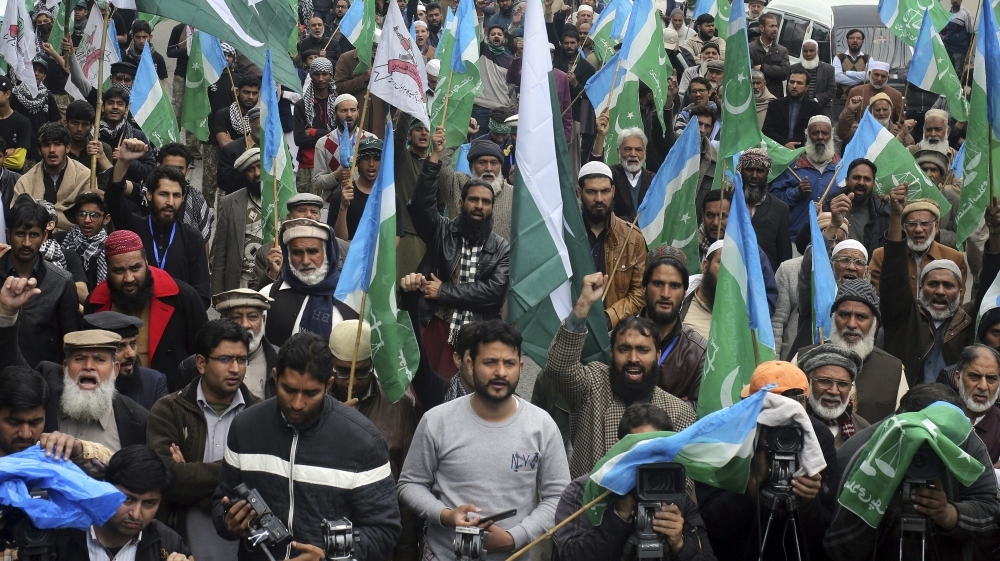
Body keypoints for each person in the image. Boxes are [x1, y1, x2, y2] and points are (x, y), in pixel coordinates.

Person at [213, 332, 402, 561]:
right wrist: (229, 522)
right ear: (275, 377)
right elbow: (221, 502)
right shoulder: (245, 428)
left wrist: (329, 556)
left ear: (328, 385)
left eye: (311, 393)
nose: (297, 403)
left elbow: (384, 530)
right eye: (289, 390)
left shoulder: (364, 442)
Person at [398, 320, 571, 560]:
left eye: (509, 363)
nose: (500, 372)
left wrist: (515, 537)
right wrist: (445, 515)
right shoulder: (436, 421)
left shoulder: (542, 426)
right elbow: (409, 484)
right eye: (490, 362)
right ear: (470, 365)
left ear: (520, 367)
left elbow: (559, 498)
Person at [541, 272, 697, 478]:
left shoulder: (679, 414)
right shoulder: (592, 386)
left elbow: (684, 482)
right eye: (624, 349)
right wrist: (583, 304)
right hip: (588, 506)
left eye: (643, 350)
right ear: (612, 354)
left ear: (658, 356)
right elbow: (559, 368)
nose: (633, 358)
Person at [824, 384, 1000, 561]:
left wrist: (948, 514)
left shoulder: (962, 438)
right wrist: (873, 495)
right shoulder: (861, 451)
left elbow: (991, 511)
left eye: (938, 438)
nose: (930, 444)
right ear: (900, 421)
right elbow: (837, 545)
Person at [698, 361, 837, 561]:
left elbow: (825, 533)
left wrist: (808, 501)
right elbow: (711, 526)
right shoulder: (725, 435)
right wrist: (752, 485)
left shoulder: (817, 437)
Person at [147, 319, 258, 561]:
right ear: (201, 363)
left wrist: (190, 473)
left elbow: (263, 485)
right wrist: (236, 470)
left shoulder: (259, 415)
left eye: (241, 359)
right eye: (225, 359)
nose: (235, 369)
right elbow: (168, 481)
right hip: (182, 552)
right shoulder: (169, 410)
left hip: (246, 551)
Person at [554, 403, 717, 561]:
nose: (648, 460)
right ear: (618, 447)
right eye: (640, 450)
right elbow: (570, 556)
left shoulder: (676, 499)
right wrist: (618, 517)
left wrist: (680, 544)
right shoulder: (585, 492)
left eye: (657, 451)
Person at [403, 141, 510, 380]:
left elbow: (493, 293)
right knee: (428, 394)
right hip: (437, 327)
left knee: (472, 393)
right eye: (473, 200)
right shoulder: (441, 231)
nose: (479, 206)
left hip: (478, 333)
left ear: (492, 208)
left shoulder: (501, 247)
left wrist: (444, 291)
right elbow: (420, 206)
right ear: (461, 203)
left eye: (486, 202)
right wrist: (435, 158)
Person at [328, 320, 420, 560]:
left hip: (378, 544)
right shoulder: (311, 403)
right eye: (341, 371)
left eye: (361, 371)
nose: (351, 381)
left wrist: (406, 553)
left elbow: (406, 491)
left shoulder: (399, 406)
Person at [879, 184, 985, 388]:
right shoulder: (905, 319)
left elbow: (988, 288)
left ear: (961, 291)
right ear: (920, 289)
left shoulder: (968, 323)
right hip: (909, 408)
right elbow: (893, 278)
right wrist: (895, 215)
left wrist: (995, 236)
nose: (940, 291)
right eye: (933, 284)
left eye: (948, 285)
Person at [85, 229, 208, 393]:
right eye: (119, 271)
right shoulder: (94, 303)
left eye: (135, 268)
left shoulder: (183, 297)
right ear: (107, 270)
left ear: (146, 262)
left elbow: (205, 354)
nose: (129, 278)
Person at [105, 140, 211, 307]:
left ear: (183, 198)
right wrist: (124, 162)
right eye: (163, 194)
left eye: (176, 195)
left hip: (176, 322)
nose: (170, 202)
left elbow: (203, 297)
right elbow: (113, 198)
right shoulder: (134, 228)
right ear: (148, 194)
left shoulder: (192, 237)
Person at [53, 445, 192, 561]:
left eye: (149, 503)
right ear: (105, 488)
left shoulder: (169, 544)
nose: (136, 514)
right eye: (127, 499)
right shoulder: (62, 536)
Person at [0, 196, 79, 367]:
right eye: (20, 234)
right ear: (8, 234)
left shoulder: (61, 283)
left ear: (44, 236)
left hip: (42, 384)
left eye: (33, 235)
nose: (26, 243)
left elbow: (70, 344)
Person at [259, 218, 356, 346]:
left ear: (328, 253)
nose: (305, 261)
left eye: (312, 251)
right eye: (297, 252)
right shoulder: (269, 295)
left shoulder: (353, 298)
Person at [575, 161, 648, 328]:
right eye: (592, 192)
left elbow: (640, 293)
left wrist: (609, 318)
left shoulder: (632, 237)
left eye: (605, 191)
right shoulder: (566, 235)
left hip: (613, 331)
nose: (599, 199)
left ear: (613, 191)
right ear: (580, 193)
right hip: (571, 324)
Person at [639, 246, 707, 405]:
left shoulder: (697, 351)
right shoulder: (618, 340)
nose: (665, 294)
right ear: (643, 288)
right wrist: (678, 405)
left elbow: (702, 410)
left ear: (684, 292)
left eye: (675, 286)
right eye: (658, 284)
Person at [869, 197, 966, 299]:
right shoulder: (881, 256)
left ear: (936, 225)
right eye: (912, 224)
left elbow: (955, 303)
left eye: (925, 223)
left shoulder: (955, 258)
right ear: (903, 226)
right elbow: (878, 298)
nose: (918, 229)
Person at [435, 133, 515, 241]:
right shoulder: (458, 183)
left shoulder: (514, 195)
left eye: (494, 163)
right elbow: (442, 161)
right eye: (482, 162)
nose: (488, 168)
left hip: (501, 258)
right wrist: (460, 132)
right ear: (471, 166)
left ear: (501, 167)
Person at [11, 123, 90, 232]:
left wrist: (39, 210)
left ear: (67, 148)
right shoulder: (25, 182)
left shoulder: (84, 176)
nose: (52, 150)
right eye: (46, 145)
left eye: (57, 144)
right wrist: (65, 212)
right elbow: (19, 219)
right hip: (37, 243)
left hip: (75, 242)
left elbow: (86, 218)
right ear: (39, 150)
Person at [769, 115, 839, 238]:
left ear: (831, 136)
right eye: (815, 133)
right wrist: (796, 192)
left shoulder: (841, 168)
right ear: (807, 136)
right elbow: (774, 203)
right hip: (795, 237)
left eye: (825, 133)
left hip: (831, 240)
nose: (820, 137)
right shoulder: (791, 165)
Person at [82, 311, 167, 411]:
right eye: (119, 347)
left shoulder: (154, 382)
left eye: (133, 344)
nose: (131, 354)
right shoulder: (83, 385)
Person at [797, 343, 869, 449]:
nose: (834, 391)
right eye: (825, 381)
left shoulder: (863, 430)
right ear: (808, 383)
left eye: (843, 384)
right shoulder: (791, 423)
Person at [212, 147, 264, 293]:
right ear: (244, 175)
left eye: (260, 167)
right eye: (251, 170)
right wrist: (218, 294)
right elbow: (220, 253)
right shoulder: (231, 202)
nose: (257, 173)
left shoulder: (283, 200)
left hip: (274, 280)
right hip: (242, 281)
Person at [588, 123, 656, 221]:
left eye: (638, 150)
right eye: (628, 149)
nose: (633, 154)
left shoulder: (654, 180)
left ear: (645, 153)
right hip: (614, 234)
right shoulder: (610, 175)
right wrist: (601, 136)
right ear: (618, 152)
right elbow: (594, 174)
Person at [823, 158, 891, 258]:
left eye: (867, 179)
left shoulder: (882, 212)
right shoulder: (829, 205)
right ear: (847, 180)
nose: (861, 183)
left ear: (873, 184)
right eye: (856, 177)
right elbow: (803, 245)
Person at [312, 93, 375, 198]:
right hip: (331, 205)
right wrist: (336, 176)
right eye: (344, 110)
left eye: (353, 110)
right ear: (334, 114)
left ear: (359, 113)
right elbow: (318, 181)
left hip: (364, 204)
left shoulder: (370, 140)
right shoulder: (323, 143)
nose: (349, 114)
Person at [739, 148, 791, 271]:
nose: (754, 176)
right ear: (740, 171)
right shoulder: (727, 202)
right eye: (749, 170)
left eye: (760, 171)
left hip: (764, 279)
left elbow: (784, 255)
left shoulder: (780, 208)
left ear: (767, 173)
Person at [948, 344, 1000, 465]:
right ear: (958, 378)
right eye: (975, 377)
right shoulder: (936, 420)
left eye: (991, 378)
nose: (983, 386)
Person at [97, 86, 159, 185]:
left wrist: (127, 160)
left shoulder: (137, 136)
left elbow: (150, 171)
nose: (115, 107)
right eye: (110, 103)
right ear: (103, 108)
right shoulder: (94, 135)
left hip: (126, 194)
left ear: (126, 109)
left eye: (120, 104)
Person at [294, 58, 337, 194]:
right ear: (311, 75)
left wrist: (313, 132)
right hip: (308, 165)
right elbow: (299, 139)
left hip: (334, 163)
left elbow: (340, 136)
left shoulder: (339, 103)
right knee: (308, 210)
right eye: (316, 74)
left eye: (324, 74)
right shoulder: (301, 105)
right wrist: (328, 134)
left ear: (331, 75)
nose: (320, 78)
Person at [328, 137, 386, 240]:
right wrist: (343, 207)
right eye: (366, 158)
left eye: (377, 159)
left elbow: (395, 238)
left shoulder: (389, 197)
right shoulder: (341, 196)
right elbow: (337, 241)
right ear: (357, 162)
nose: (371, 164)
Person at [156, 143, 212, 246]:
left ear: (187, 171)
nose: (174, 172)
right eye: (168, 167)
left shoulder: (197, 199)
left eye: (180, 168)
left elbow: (203, 240)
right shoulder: (147, 195)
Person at [335, 30, 387, 138]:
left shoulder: (386, 62)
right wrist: (363, 79)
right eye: (374, 47)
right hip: (353, 124)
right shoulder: (346, 59)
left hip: (377, 124)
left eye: (379, 47)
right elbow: (339, 87)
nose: (376, 50)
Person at [59, 192, 109, 293]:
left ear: (106, 219)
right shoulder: (61, 241)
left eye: (94, 215)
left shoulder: (110, 247)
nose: (87, 220)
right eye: (82, 214)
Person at [761, 70, 825, 149]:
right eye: (792, 82)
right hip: (777, 149)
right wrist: (784, 143)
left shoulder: (815, 108)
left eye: (799, 83)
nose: (794, 86)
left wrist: (794, 144)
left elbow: (816, 132)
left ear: (806, 88)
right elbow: (767, 129)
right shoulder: (775, 105)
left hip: (804, 151)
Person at [63, 100, 113, 191]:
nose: (79, 129)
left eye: (85, 124)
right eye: (75, 123)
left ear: (91, 126)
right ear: (66, 123)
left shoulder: (102, 150)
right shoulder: (58, 149)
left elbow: (107, 185)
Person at [842, 61, 904, 126]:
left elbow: (900, 122)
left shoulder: (896, 95)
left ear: (888, 78)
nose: (879, 79)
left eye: (883, 76)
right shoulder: (856, 91)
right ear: (869, 74)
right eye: (876, 75)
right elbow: (846, 118)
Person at [217, 106, 259, 195]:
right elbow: (223, 183)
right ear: (251, 122)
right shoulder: (231, 149)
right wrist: (243, 164)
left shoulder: (279, 149)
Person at [213, 74, 260, 151]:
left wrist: (233, 143)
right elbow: (223, 143)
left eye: (254, 93)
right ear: (237, 92)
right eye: (246, 92)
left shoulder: (260, 117)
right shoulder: (223, 114)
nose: (250, 97)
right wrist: (251, 147)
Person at [749, 13, 790, 98]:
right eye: (771, 26)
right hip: (754, 96)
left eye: (776, 26)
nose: (775, 29)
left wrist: (763, 67)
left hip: (775, 97)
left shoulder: (782, 51)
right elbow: (750, 71)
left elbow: (785, 73)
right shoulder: (750, 48)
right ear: (762, 28)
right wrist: (774, 72)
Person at [791, 39, 837, 114]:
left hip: (822, 109)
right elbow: (790, 89)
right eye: (805, 51)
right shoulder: (794, 69)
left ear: (817, 53)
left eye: (811, 51)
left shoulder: (828, 69)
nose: (808, 54)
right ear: (802, 53)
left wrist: (816, 100)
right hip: (799, 110)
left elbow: (832, 90)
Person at [0, 75, 35, 173]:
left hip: (12, 181)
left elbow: (18, 162)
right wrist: (8, 153)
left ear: (7, 94)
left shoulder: (22, 122)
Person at [941, 0, 975, 79]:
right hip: (948, 49)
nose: (955, 1)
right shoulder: (948, 13)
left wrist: (968, 51)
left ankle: (958, 91)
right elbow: (945, 31)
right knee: (948, 72)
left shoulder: (966, 14)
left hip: (959, 51)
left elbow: (971, 33)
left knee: (958, 74)